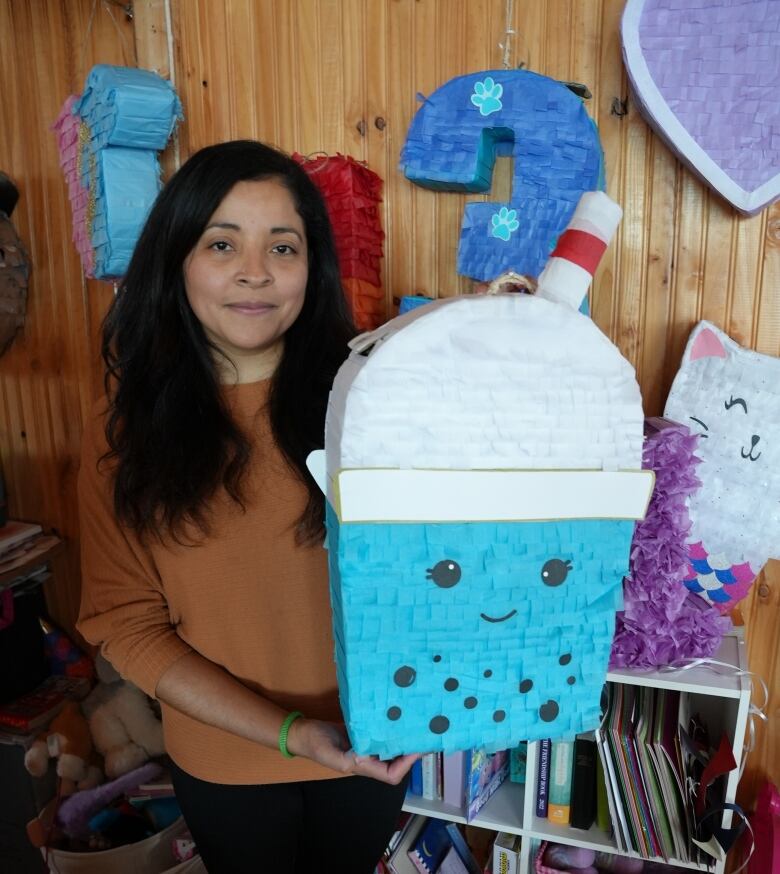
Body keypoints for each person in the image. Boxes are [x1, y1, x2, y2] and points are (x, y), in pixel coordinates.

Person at [77, 140, 417, 873]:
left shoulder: (378, 401)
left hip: (371, 743)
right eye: (222, 243)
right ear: (177, 261)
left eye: (282, 246)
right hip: (224, 759)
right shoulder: (124, 432)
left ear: (311, 266)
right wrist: (292, 733)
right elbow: (128, 624)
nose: (254, 272)